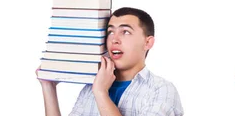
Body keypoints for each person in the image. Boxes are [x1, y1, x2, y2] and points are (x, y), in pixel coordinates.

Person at [38, 7, 184, 116]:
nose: (114, 39)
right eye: (110, 32)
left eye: (125, 32)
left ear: (148, 43)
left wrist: (101, 93)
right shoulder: (90, 89)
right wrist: (48, 86)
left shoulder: (161, 90)